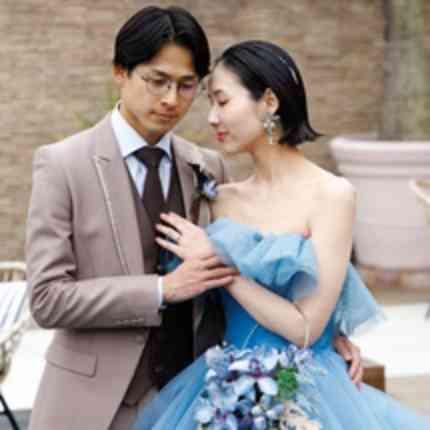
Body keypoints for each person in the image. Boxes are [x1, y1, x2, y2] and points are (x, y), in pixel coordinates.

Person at [25, 7, 362, 430]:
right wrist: (162, 290)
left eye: (186, 85)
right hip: (90, 407)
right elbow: (46, 299)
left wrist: (322, 336)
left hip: (192, 401)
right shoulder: (62, 165)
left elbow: (245, 272)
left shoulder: (207, 169)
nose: (171, 99)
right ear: (120, 72)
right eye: (157, 81)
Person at [133, 41, 430, 429]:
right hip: (223, 394)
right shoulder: (218, 199)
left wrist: (221, 267)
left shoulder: (332, 195)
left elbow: (306, 328)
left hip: (308, 393)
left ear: (269, 101)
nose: (212, 117)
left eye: (222, 101)